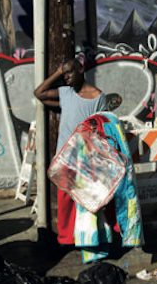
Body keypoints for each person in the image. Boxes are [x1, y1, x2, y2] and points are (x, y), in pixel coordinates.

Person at [34, 58, 108, 244]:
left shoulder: (98, 97)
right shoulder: (65, 93)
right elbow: (39, 93)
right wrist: (58, 72)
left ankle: (89, 237)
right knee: (65, 199)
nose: (66, 77)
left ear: (81, 69)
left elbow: (103, 127)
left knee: (87, 198)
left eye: (70, 72)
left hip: (87, 157)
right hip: (65, 156)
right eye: (64, 74)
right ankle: (66, 239)